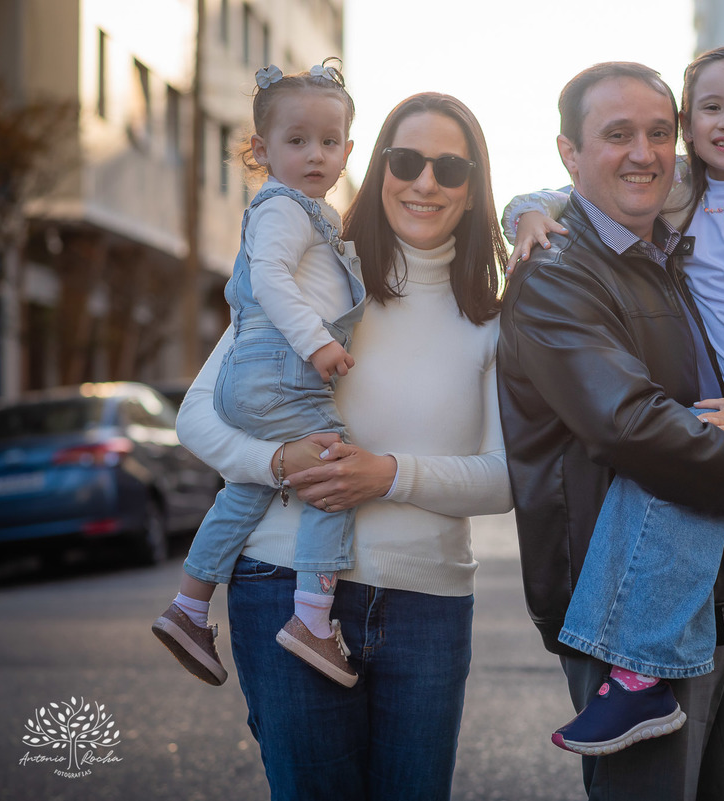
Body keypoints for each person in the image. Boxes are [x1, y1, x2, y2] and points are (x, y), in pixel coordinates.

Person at [502, 45, 724, 759]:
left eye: (656, 133)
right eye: (617, 134)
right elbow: (634, 430)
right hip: (626, 599)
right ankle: (636, 681)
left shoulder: (695, 232)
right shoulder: (564, 271)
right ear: (572, 151)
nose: (644, 154)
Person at [173, 92, 511, 801]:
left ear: (475, 187)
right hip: (279, 581)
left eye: (449, 168)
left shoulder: (494, 317)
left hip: (429, 604)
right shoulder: (316, 275)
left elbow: (506, 478)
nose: (425, 181)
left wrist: (386, 475)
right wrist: (276, 462)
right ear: (377, 165)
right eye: (406, 159)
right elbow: (199, 416)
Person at [152, 60, 368, 689]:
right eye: (296, 142)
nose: (315, 156)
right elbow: (270, 278)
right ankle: (311, 617)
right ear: (261, 148)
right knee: (334, 466)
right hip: (281, 371)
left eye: (329, 143)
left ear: (349, 149)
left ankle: (190, 606)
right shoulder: (282, 209)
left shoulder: (311, 211)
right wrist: (319, 343)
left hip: (254, 380)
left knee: (245, 491)